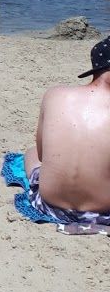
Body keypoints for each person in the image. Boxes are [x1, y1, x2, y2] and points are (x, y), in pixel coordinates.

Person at [23, 37, 110, 220]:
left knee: (30, 154)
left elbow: (41, 155)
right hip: (103, 209)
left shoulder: (54, 94)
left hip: (50, 204)